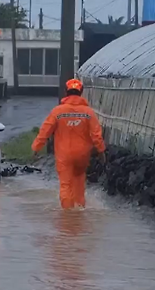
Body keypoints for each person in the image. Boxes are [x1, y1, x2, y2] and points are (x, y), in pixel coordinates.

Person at [31, 78, 106, 210]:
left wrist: (36, 148)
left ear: (66, 92)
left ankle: (67, 215)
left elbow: (45, 131)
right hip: (82, 155)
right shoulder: (89, 113)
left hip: (64, 155)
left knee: (65, 185)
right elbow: (96, 135)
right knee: (79, 183)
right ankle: (80, 210)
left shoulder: (58, 112)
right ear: (81, 92)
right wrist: (101, 151)